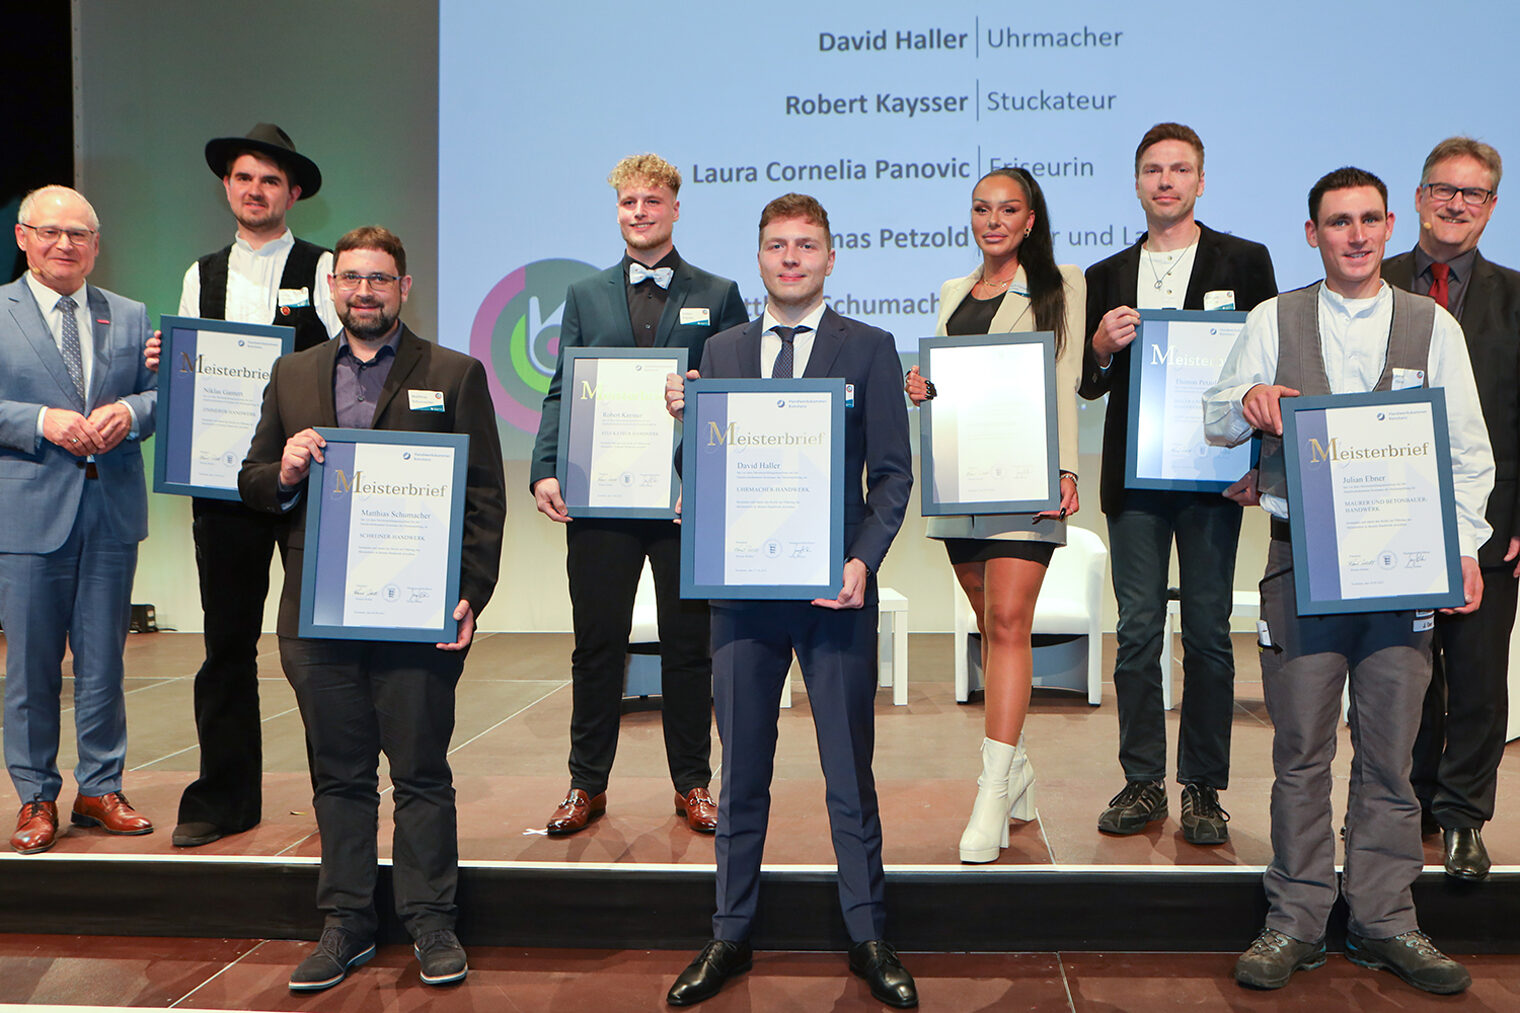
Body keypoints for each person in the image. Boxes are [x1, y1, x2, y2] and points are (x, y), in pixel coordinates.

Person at [1205, 167, 1491, 995]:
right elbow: (1217, 418)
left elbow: (1469, 453)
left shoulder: (1431, 324)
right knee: (1298, 753)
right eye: (1338, 222)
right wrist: (1249, 399)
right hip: (1302, 562)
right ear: (1312, 233)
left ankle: (1384, 920)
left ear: (1390, 223)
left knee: (1390, 761)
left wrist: (1465, 546)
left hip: (1402, 569)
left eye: (1369, 220)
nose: (1357, 235)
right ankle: (1293, 919)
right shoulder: (1273, 317)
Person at [662, 194, 917, 1008]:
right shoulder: (723, 349)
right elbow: (698, 474)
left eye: (807, 245)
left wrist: (862, 562)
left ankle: (868, 933)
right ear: (759, 257)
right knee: (740, 774)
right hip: (742, 596)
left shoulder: (870, 349)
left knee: (849, 770)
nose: (792, 258)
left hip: (833, 593)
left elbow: (892, 475)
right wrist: (684, 425)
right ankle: (729, 932)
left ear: (831, 258)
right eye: (777, 245)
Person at [239, 226, 506, 991]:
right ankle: (347, 921)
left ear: (405, 287)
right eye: (352, 277)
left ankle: (430, 920)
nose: (365, 291)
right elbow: (253, 482)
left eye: (380, 279)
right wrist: (283, 468)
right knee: (340, 775)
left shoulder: (454, 373)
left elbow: (483, 497)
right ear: (332, 287)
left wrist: (471, 592)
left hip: (417, 615)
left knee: (421, 772)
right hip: (318, 619)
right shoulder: (292, 374)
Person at [530, 154, 746, 836]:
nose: (640, 212)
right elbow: (563, 387)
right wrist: (544, 466)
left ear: (675, 208)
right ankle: (585, 783)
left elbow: (737, 388)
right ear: (617, 210)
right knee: (598, 643)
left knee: (690, 647)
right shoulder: (587, 295)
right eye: (629, 202)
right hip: (600, 497)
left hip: (687, 500)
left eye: (653, 201)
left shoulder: (721, 290)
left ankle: (693, 784)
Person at [1080, 123, 1277, 843]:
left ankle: (1202, 787)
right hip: (1135, 483)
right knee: (1135, 632)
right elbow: (1088, 384)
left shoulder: (1245, 261)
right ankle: (1141, 781)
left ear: (1200, 181)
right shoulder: (1104, 273)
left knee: (1208, 634)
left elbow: (1266, 366)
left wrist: (1260, 465)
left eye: (1180, 169)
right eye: (1153, 170)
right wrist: (1100, 348)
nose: (1166, 181)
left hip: (1214, 480)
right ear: (1136, 183)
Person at [903, 168, 1082, 863]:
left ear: (1031, 219)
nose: (993, 220)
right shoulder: (952, 292)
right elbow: (952, 384)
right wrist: (921, 387)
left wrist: (1066, 469)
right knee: (989, 622)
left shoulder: (1061, 284)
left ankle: (991, 789)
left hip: (1027, 478)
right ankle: (1020, 768)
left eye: (1008, 209)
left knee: (1010, 623)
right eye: (982, 209)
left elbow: (1064, 374)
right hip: (961, 479)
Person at [170, 122, 340, 849]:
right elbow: (190, 367)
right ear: (227, 188)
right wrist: (167, 360)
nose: (254, 190)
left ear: (292, 192)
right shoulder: (199, 273)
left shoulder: (323, 263)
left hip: (305, 479)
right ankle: (223, 799)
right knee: (226, 645)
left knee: (317, 650)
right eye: (243, 178)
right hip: (224, 486)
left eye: (270, 180)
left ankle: (337, 794)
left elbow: (346, 358)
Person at [2, 186, 157, 854]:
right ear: (22, 237)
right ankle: (36, 795)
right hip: (30, 516)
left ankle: (100, 787)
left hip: (110, 513)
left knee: (103, 664)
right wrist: (40, 421)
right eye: (51, 231)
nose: (65, 244)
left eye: (80, 234)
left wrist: (133, 412)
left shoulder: (128, 314)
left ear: (97, 244)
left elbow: (159, 395)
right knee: (31, 666)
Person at [1383, 137, 1520, 881]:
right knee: (1404, 677)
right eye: (1443, 189)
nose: (1456, 203)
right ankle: (1406, 806)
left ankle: (1464, 817)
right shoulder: (1375, 281)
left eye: (1473, 194)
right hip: (1390, 517)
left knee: (1476, 678)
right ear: (1418, 197)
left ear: (1492, 207)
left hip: (1490, 522)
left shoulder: (1516, 295)